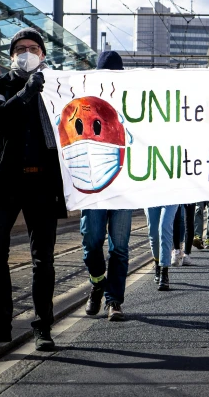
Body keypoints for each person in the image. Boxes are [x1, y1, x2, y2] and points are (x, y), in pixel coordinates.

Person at [0, 27, 66, 352]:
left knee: (43, 259)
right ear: (11, 55)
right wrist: (26, 92)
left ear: (43, 54)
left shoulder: (57, 88)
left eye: (33, 48)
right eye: (21, 48)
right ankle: (0, 325)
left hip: (42, 184)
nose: (27, 53)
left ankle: (43, 328)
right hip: (5, 183)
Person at [79, 50, 132, 322]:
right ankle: (98, 282)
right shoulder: (86, 104)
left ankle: (114, 302)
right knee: (91, 241)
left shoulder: (133, 104)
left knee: (119, 248)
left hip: (123, 187)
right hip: (93, 188)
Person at [147, 205, 178, 290]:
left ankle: (164, 271)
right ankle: (157, 263)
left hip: (171, 195)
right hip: (150, 196)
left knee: (164, 227)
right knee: (154, 234)